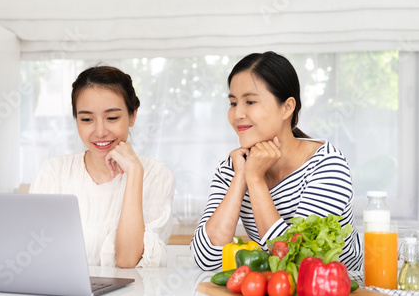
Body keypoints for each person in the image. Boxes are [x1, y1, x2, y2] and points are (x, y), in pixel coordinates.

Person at [190, 51, 363, 271]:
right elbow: (206, 260)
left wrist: (255, 179)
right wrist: (241, 177)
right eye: (233, 103)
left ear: (287, 107)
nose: (237, 114)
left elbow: (298, 263)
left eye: (250, 101)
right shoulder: (233, 169)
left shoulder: (327, 165)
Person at [30, 65, 175, 268]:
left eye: (112, 118)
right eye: (87, 119)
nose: (99, 131)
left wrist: (134, 172)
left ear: (133, 115)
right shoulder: (53, 172)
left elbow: (127, 261)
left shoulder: (156, 175)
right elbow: (32, 256)